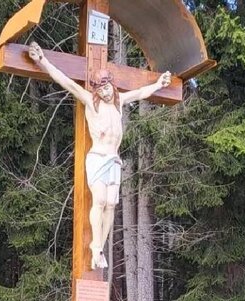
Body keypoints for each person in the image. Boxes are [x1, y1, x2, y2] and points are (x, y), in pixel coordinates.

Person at [28, 42, 170, 269]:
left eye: (107, 88)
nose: (104, 92)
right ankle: (95, 245)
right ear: (95, 90)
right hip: (98, 158)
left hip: (114, 160)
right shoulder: (90, 103)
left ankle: (98, 249)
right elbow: (66, 82)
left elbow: (141, 92)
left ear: (111, 85)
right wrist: (42, 61)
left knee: (112, 205)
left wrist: (158, 84)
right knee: (101, 200)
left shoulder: (119, 101)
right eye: (100, 89)